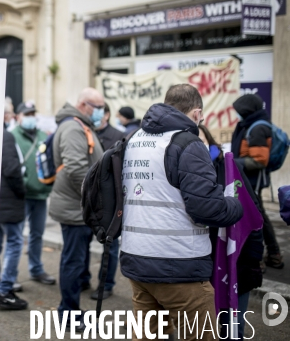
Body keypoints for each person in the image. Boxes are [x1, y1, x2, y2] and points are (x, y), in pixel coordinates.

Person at [120, 84, 243, 340]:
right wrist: (234, 205)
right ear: (196, 113)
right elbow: (206, 208)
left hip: (136, 258)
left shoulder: (134, 139)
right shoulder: (188, 143)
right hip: (178, 265)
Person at [199, 124, 264, 340]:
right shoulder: (179, 173)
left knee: (232, 331)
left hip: (236, 262)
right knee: (204, 330)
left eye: (199, 139)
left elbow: (253, 214)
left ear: (208, 139)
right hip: (199, 267)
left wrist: (254, 258)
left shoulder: (229, 168)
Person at [49, 88, 105, 329]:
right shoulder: (73, 127)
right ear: (84, 105)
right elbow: (75, 169)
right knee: (72, 262)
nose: (101, 112)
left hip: (77, 205)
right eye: (98, 107)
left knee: (75, 260)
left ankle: (71, 309)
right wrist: (95, 196)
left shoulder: (79, 124)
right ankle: (68, 314)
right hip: (75, 207)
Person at [231, 94, 284, 269]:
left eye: (239, 111)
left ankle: (265, 255)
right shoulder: (247, 125)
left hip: (253, 180)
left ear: (246, 110)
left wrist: (232, 161)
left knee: (257, 217)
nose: (237, 114)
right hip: (246, 178)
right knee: (258, 215)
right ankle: (271, 253)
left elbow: (259, 160)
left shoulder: (258, 128)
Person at [10, 101, 56, 286]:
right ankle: (10, 277)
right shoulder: (12, 136)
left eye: (32, 114)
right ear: (18, 117)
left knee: (38, 234)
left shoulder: (43, 135)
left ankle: (36, 269)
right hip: (21, 195)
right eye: (26, 114)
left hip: (40, 194)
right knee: (16, 237)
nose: (30, 117)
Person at [0, 129, 27, 310]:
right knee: (14, 243)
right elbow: (12, 169)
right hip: (8, 200)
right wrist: (21, 192)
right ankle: (4, 291)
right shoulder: (5, 135)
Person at [89, 102, 124, 300]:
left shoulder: (118, 136)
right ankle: (84, 278)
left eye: (99, 112)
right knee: (83, 241)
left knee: (109, 245)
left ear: (107, 115)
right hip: (89, 199)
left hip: (109, 201)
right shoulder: (86, 132)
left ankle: (106, 284)